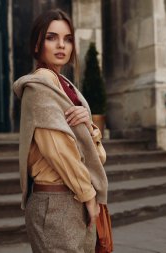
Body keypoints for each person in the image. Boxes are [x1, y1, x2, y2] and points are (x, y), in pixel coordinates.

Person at [13, 9, 108, 253]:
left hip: (75, 197)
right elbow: (58, 150)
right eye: (51, 37)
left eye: (67, 39)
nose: (61, 45)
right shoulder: (39, 87)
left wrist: (89, 126)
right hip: (55, 204)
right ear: (37, 44)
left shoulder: (67, 87)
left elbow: (99, 156)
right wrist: (88, 196)